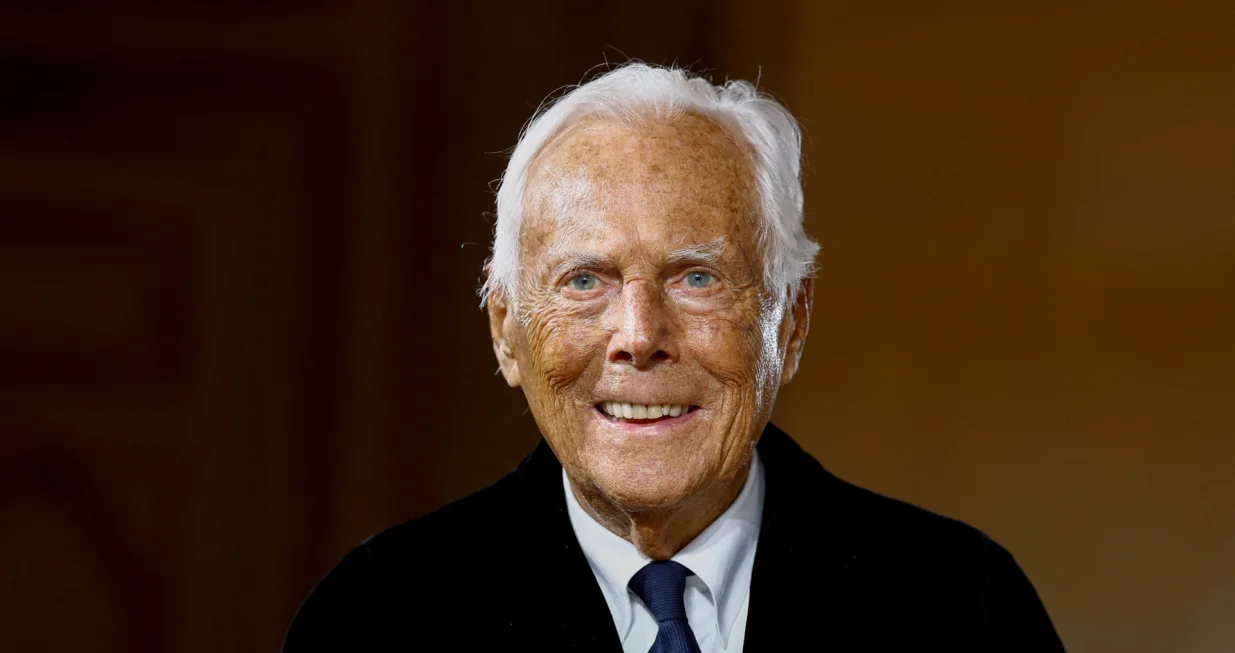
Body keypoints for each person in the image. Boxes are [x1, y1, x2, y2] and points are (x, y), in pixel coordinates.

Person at [283, 63, 1065, 652]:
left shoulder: (963, 606)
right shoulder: (374, 618)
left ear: (789, 323)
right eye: (583, 280)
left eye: (697, 277)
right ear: (503, 330)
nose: (638, 333)